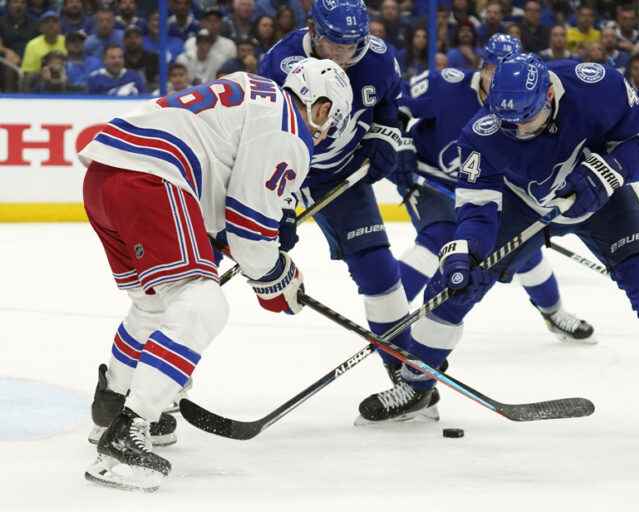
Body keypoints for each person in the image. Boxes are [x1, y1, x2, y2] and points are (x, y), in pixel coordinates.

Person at [358, 53, 639, 445]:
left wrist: (609, 170)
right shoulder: (481, 133)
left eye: (527, 119)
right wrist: (466, 248)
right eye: (507, 123)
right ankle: (416, 385)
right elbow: (478, 207)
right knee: (451, 288)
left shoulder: (597, 85)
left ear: (549, 94)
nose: (517, 130)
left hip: (601, 198)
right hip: (520, 204)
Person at [79, 58, 353, 491]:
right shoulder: (289, 130)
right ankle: (127, 433)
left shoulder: (253, 90)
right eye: (328, 121)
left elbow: (216, 183)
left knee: (156, 304)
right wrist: (278, 279)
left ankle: (112, 404)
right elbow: (249, 236)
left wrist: (248, 244)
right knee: (202, 304)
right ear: (321, 108)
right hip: (154, 178)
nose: (321, 133)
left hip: (105, 174)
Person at [395, 33, 595, 353]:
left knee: (521, 248)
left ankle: (554, 313)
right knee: (442, 237)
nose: (497, 77)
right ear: (481, 67)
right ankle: (389, 321)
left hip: (479, 186)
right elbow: (398, 105)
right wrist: (400, 143)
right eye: (492, 69)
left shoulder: (522, 107)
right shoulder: (447, 84)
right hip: (430, 177)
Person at [259, 0, 417, 399]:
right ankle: (165, 383)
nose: (343, 57)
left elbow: (389, 106)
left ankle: (407, 374)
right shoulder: (280, 63)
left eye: (351, 46)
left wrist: (384, 138)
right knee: (232, 256)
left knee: (379, 270)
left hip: (342, 174)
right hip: (281, 172)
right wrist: (279, 206)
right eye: (334, 45)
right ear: (313, 29)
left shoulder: (379, 59)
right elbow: (263, 140)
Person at [20, 10, 66, 76]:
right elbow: (27, 73)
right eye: (47, 22)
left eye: (55, 21)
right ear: (40, 28)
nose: (51, 25)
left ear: (60, 26)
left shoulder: (66, 41)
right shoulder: (32, 45)